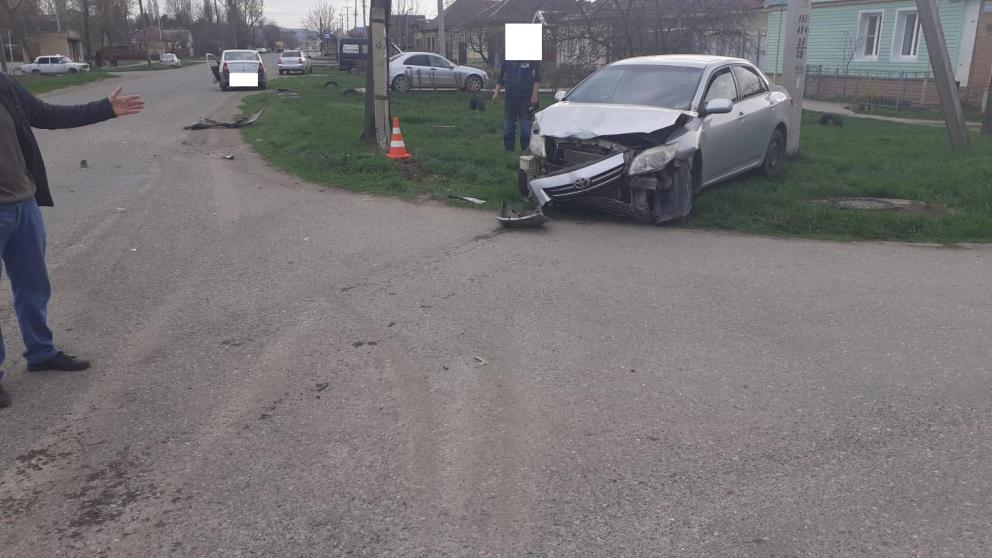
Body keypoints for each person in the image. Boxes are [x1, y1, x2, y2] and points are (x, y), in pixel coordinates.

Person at [0, 74, 145, 409]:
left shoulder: (5, 85)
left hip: (22, 203)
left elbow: (47, 115)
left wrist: (105, 109)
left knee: (33, 285)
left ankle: (41, 352)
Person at [492, 59, 540, 152]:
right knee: (508, 128)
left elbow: (536, 78)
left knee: (525, 128)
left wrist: (534, 95)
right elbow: (501, 78)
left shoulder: (531, 60)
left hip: (526, 99)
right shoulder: (507, 60)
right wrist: (496, 92)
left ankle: (526, 152)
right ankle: (509, 152)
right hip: (510, 98)